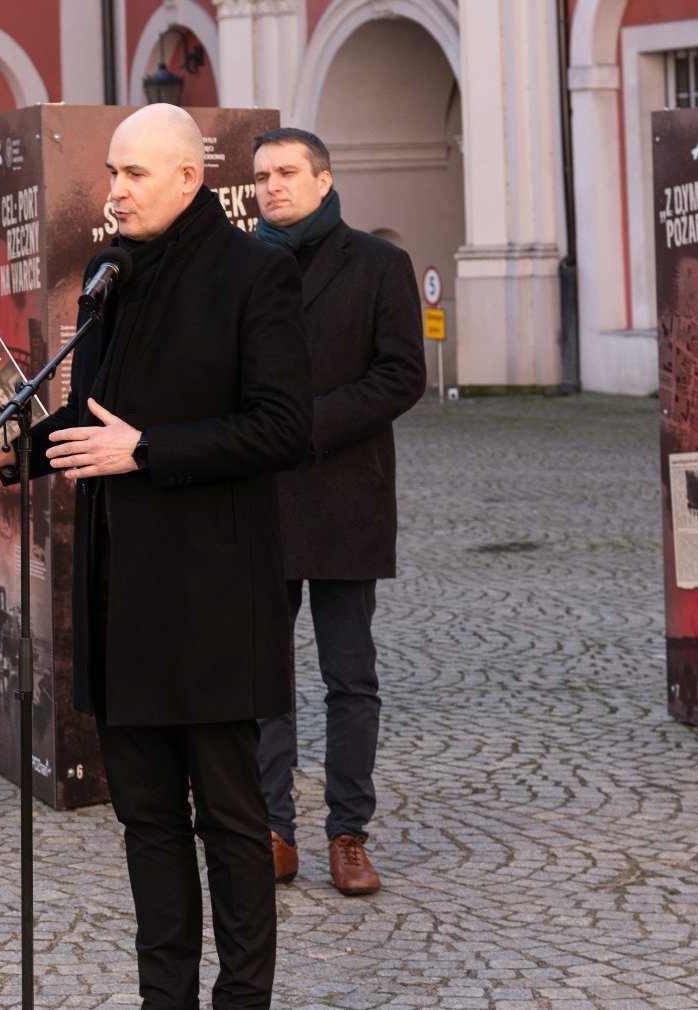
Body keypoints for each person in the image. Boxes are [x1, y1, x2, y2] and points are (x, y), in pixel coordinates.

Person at [0, 104, 311, 1008]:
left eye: (133, 174)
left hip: (215, 604)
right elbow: (89, 418)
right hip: (118, 603)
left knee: (230, 823)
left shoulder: (256, 274)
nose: (113, 191)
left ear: (190, 178)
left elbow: (282, 428)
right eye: (111, 173)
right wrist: (11, 451)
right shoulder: (112, 275)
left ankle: (242, 1000)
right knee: (147, 822)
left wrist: (147, 452)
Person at [248, 128, 425, 896]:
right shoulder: (240, 268)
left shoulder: (379, 265)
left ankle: (348, 833)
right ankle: (272, 830)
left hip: (346, 494)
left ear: (324, 180)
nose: (272, 187)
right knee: (262, 677)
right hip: (259, 496)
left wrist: (304, 423)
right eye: (261, 176)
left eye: (287, 173)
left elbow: (401, 376)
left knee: (350, 676)